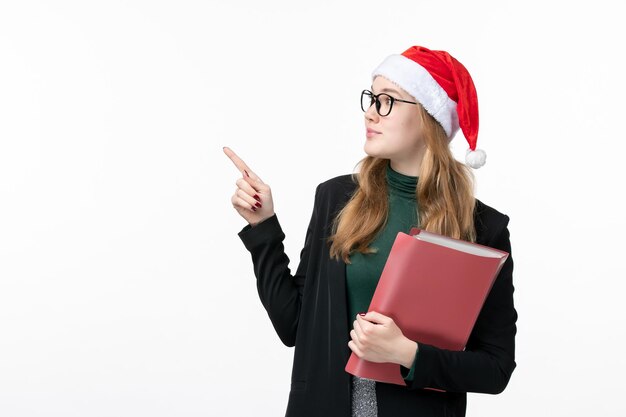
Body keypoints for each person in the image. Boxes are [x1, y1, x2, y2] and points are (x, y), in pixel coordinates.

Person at [224, 45, 517, 417]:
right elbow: (293, 325)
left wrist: (407, 354)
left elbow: (495, 369)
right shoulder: (336, 198)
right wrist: (262, 226)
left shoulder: (482, 227)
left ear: (430, 118)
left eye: (387, 101)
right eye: (371, 98)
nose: (370, 113)